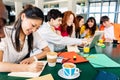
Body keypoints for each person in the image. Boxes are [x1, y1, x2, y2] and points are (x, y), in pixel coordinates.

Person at [0, 5, 50, 72]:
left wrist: (32, 58)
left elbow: (47, 50)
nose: (34, 30)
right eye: (33, 25)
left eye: (37, 28)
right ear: (23, 17)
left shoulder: (34, 34)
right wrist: (27, 68)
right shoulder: (4, 33)